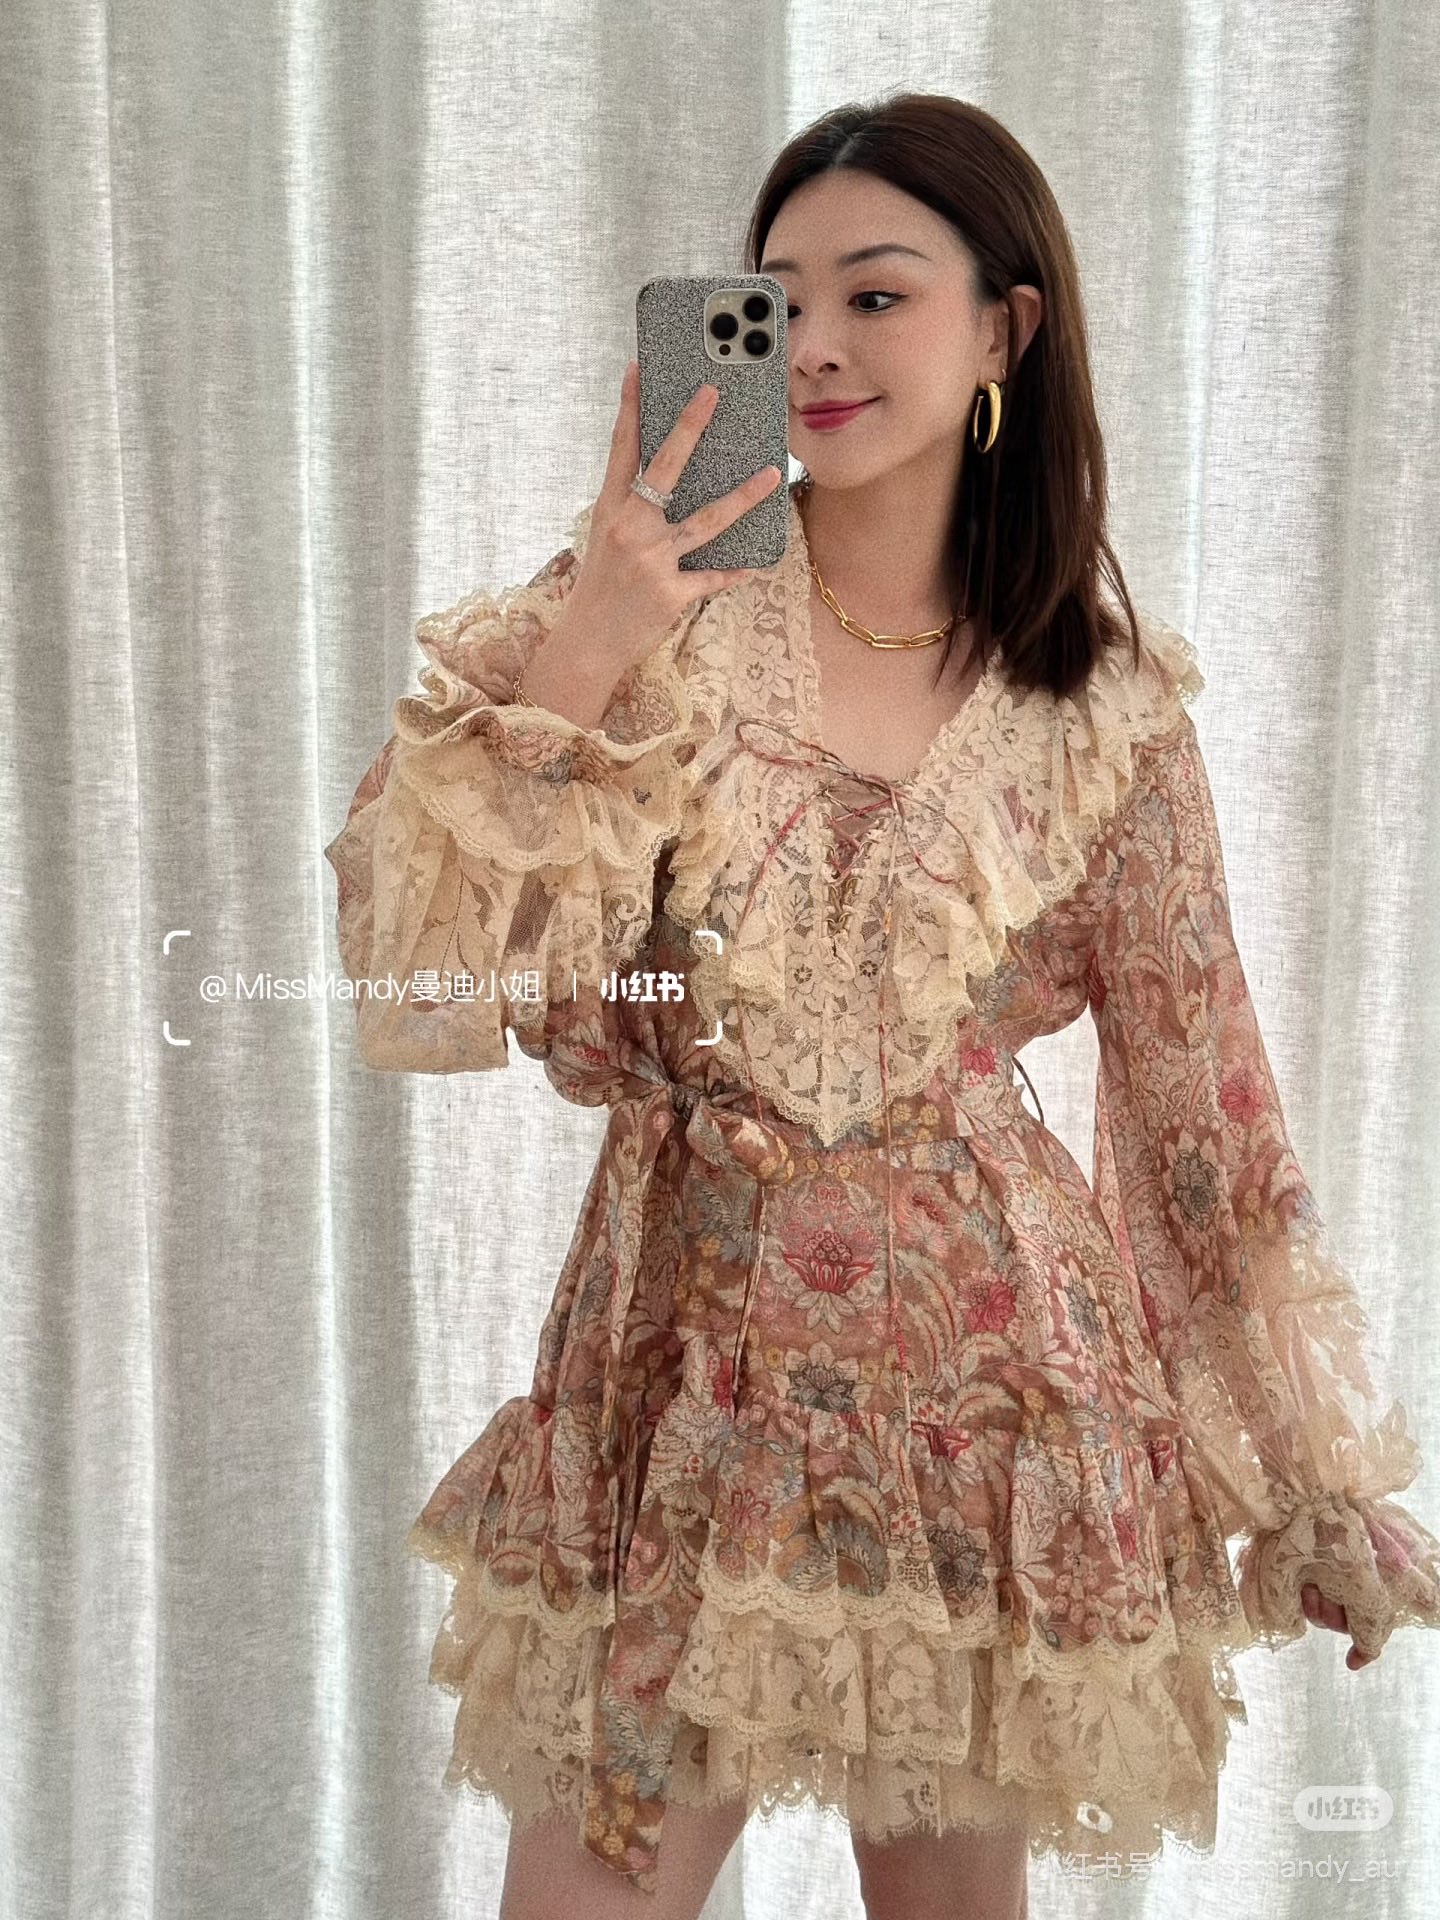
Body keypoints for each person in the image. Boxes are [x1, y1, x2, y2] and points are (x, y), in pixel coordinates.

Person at [323, 93, 1440, 1920]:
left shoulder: (1103, 710)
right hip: (679, 1382)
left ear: (1006, 327)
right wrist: (599, 623)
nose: (819, 346)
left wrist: (1309, 1481)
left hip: (987, 1408)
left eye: (877, 293)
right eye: (776, 303)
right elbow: (423, 958)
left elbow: (1200, 1098)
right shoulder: (644, 623)